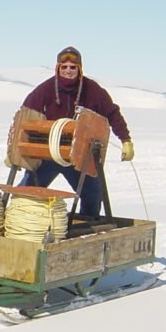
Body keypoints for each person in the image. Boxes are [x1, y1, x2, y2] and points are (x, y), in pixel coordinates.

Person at [20, 46, 134, 216]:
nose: (68, 71)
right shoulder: (46, 89)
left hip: (79, 155)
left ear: (79, 69)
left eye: (73, 67)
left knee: (93, 195)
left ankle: (86, 230)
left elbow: (112, 114)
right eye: (64, 67)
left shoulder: (93, 90)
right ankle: (20, 224)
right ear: (58, 68)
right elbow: (25, 114)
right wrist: (17, 148)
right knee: (26, 193)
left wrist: (125, 140)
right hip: (48, 153)